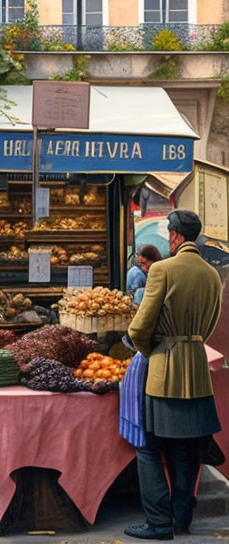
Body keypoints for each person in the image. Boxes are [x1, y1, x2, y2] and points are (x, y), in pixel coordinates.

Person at [125, 210, 223, 541]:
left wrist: (150, 349)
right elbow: (208, 325)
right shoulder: (212, 274)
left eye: (169, 232)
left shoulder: (162, 270)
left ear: (175, 235)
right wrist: (191, 342)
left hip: (163, 371)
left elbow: (140, 326)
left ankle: (158, 523)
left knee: (149, 448)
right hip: (197, 370)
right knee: (186, 452)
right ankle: (182, 520)